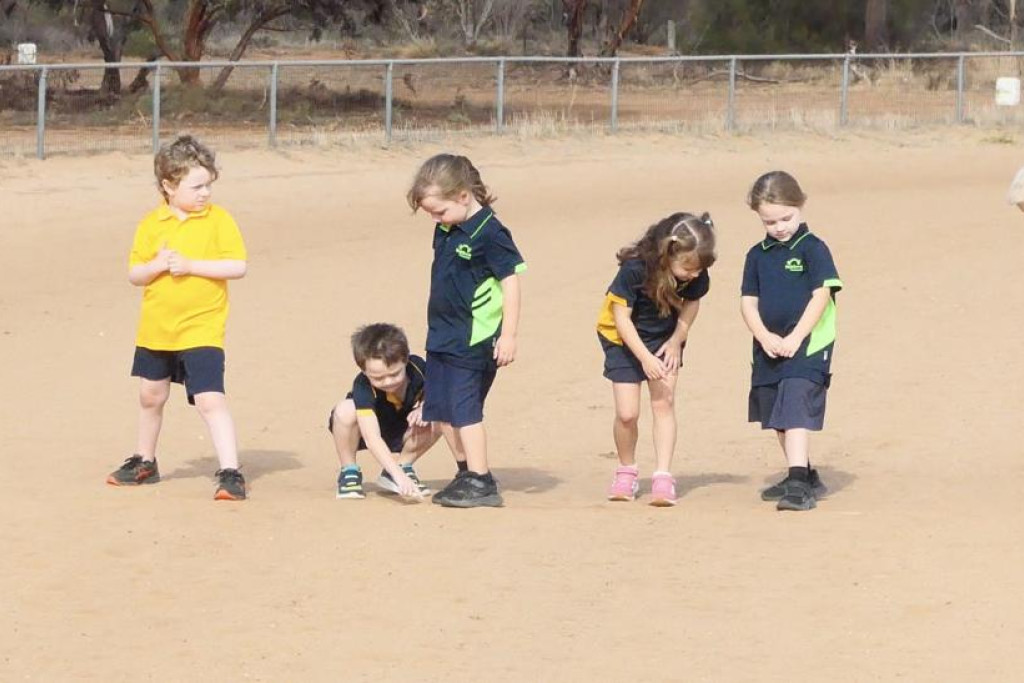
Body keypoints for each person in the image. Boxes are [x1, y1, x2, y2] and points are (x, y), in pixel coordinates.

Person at [107, 135, 249, 500]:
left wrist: (190, 266)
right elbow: (135, 275)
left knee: (209, 399)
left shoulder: (219, 220)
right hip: (157, 329)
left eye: (208, 186)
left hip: (202, 327)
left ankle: (231, 471)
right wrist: (155, 265)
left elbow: (238, 265)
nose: (205, 194)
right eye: (196, 186)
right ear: (168, 185)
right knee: (150, 396)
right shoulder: (151, 223)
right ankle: (145, 460)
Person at [406, 154, 526, 508]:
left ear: (462, 195)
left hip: (473, 338)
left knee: (464, 409)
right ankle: (464, 472)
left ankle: (481, 480)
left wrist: (509, 335)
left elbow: (511, 280)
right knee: (440, 411)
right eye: (430, 213)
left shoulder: (490, 232)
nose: (435, 218)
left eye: (438, 211)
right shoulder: (446, 228)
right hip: (441, 334)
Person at [597, 212, 717, 507]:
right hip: (623, 340)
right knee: (627, 414)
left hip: (665, 339)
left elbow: (692, 304)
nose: (695, 275)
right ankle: (626, 470)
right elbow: (620, 318)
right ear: (668, 254)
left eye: (700, 269)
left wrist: (677, 339)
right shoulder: (635, 269)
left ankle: (663, 476)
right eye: (688, 268)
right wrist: (644, 358)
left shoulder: (695, 274)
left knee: (664, 403)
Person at [741, 171, 843, 512]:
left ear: (800, 207)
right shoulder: (757, 255)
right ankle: (805, 473)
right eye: (770, 221)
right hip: (769, 346)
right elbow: (748, 302)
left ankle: (798, 481)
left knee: (796, 404)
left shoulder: (814, 248)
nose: (780, 227)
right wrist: (764, 335)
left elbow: (821, 295)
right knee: (776, 412)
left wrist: (797, 337)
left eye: (786, 217)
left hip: (808, 345)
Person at [328, 323, 440, 500]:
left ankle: (404, 465)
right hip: (367, 431)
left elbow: (438, 391)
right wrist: (399, 477)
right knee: (345, 410)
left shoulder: (419, 368)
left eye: (395, 374)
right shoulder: (363, 387)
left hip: (405, 428)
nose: (388, 382)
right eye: (378, 378)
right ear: (364, 371)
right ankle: (349, 470)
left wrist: (425, 406)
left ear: (406, 360)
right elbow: (372, 438)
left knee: (437, 413)